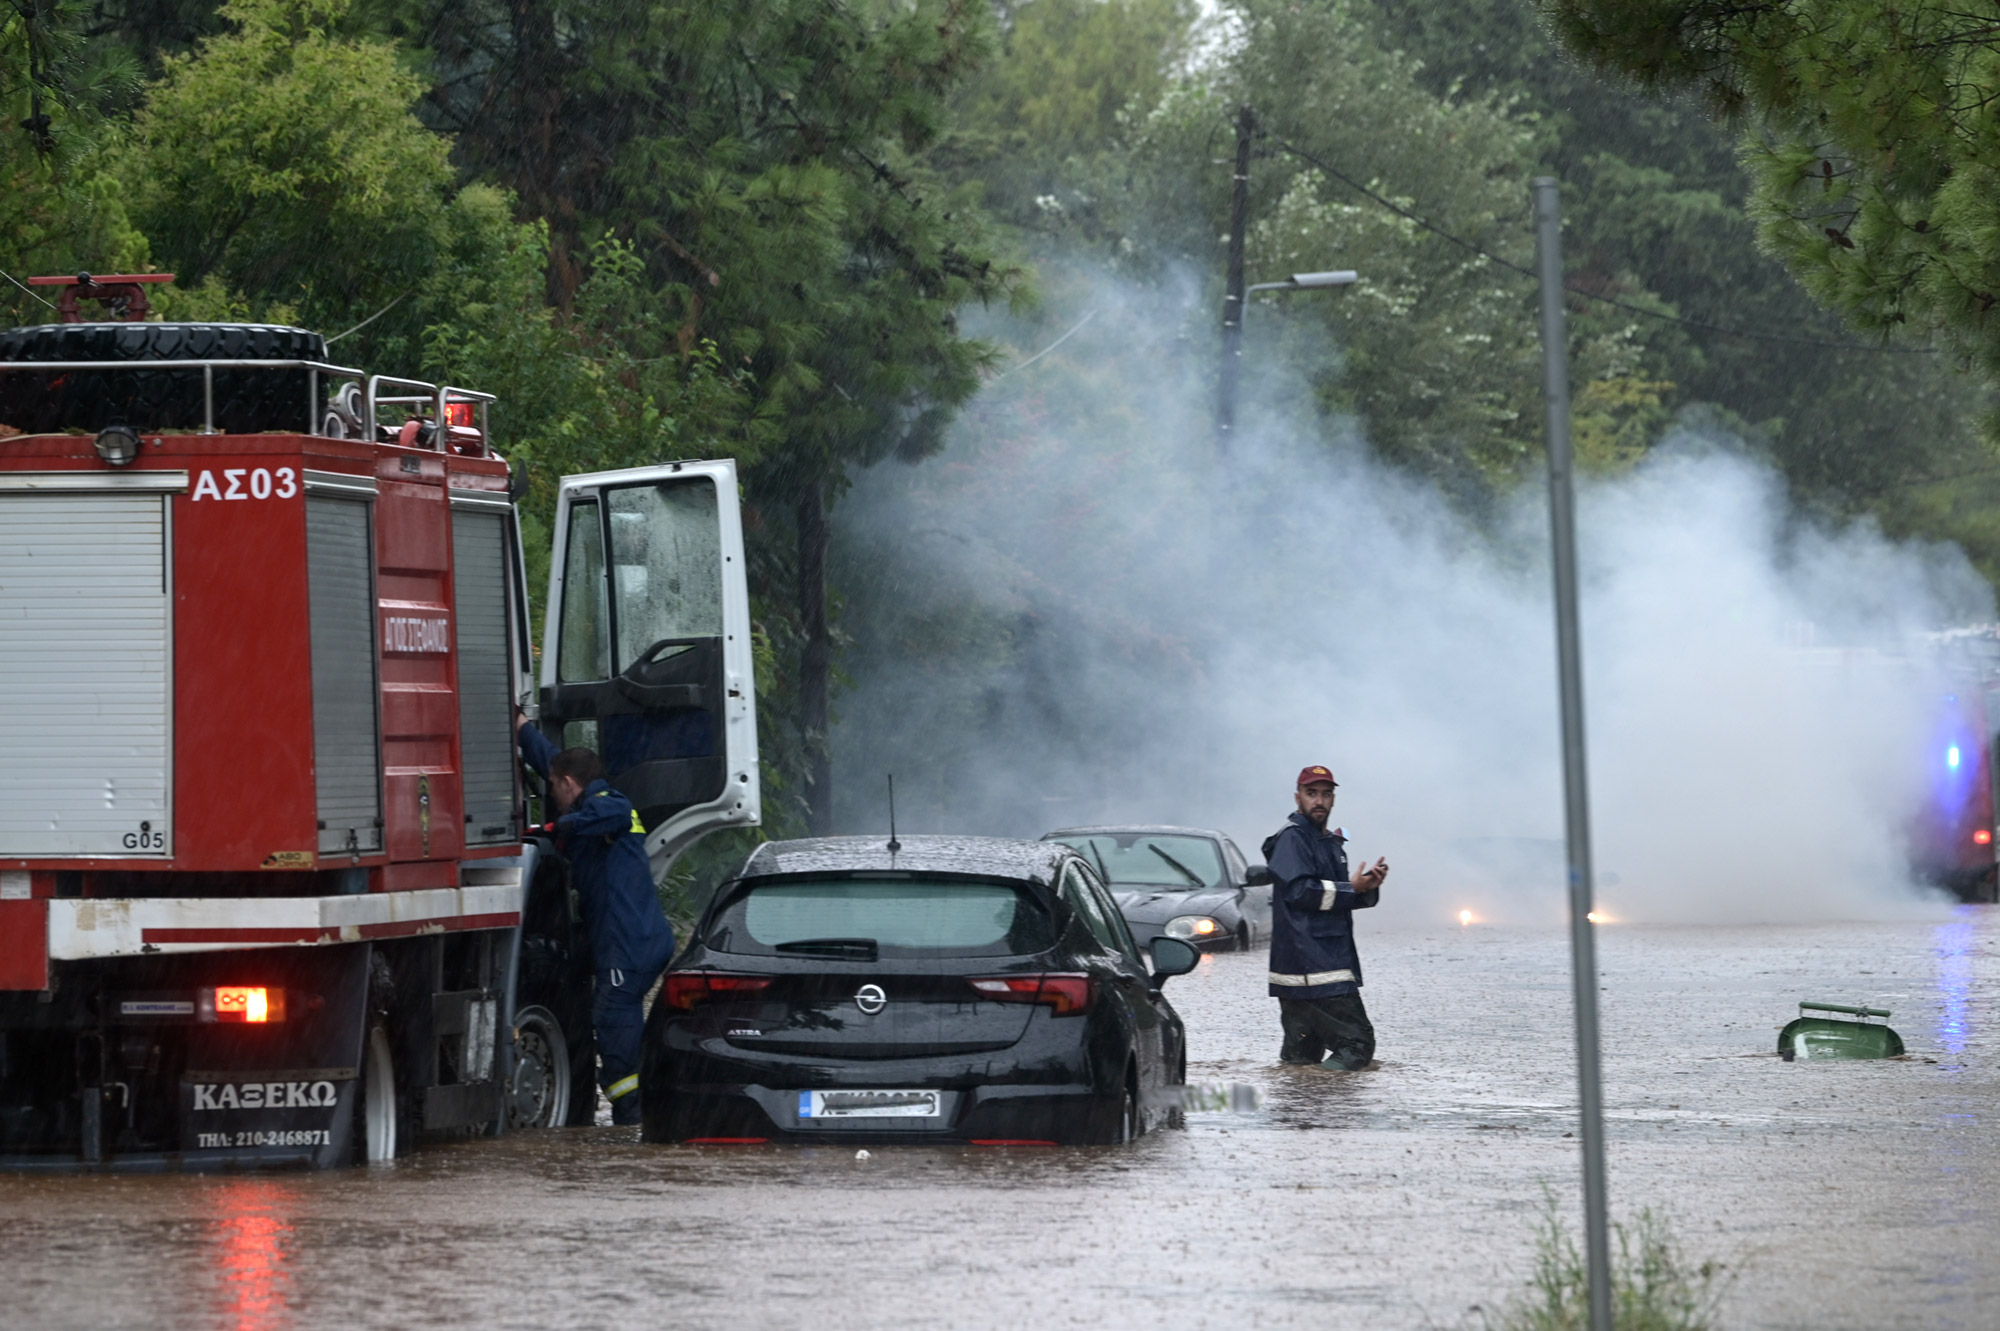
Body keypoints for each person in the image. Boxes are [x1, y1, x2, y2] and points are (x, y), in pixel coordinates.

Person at [517, 715, 678, 1125]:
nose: (551, 792)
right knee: (604, 1012)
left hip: (629, 946)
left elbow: (615, 815)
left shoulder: (608, 803)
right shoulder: (585, 793)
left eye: (554, 787)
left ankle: (635, 1117)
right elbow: (552, 761)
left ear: (570, 785)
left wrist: (553, 827)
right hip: (633, 940)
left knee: (612, 1025)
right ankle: (650, 1100)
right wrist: (522, 729)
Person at [1262, 764, 1389, 1070]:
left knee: (1301, 1059)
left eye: (1326, 794)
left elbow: (1332, 897)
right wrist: (1350, 890)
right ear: (1297, 798)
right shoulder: (1294, 838)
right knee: (1358, 1045)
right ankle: (1330, 1110)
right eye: (1311, 794)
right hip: (1317, 967)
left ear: (1333, 799)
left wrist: (1363, 889)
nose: (1319, 801)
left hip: (1309, 968)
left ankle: (1300, 1111)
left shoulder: (1328, 842)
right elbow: (1300, 892)